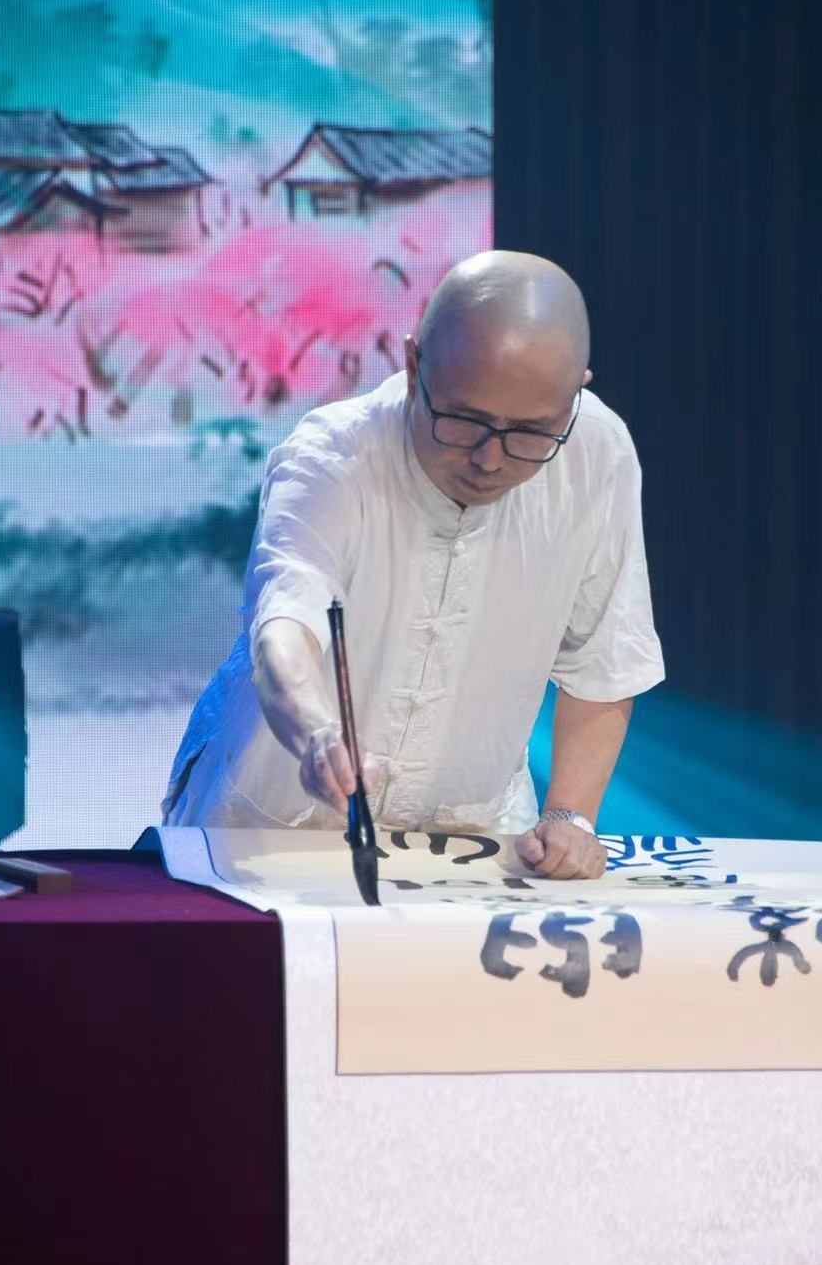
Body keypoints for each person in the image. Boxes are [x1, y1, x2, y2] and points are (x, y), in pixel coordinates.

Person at [161, 250, 662, 879]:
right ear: (413, 365)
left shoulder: (598, 454)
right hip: (271, 826)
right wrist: (318, 735)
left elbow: (605, 657)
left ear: (574, 395)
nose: (489, 459)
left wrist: (571, 818)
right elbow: (283, 626)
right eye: (465, 421)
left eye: (530, 433)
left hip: (475, 836)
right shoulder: (332, 455)